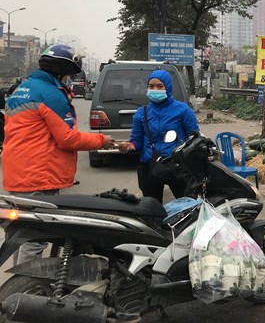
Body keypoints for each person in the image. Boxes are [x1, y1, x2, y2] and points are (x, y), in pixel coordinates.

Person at [2, 44, 115, 265]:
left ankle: (17, 283)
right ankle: (23, 288)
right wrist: (103, 140)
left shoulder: (22, 89)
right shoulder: (51, 94)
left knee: (19, 234)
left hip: (16, 172)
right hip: (38, 176)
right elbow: (68, 139)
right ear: (62, 71)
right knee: (35, 238)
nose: (70, 80)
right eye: (70, 75)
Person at [119, 70, 199, 203]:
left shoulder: (183, 110)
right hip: (149, 167)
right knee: (151, 208)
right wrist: (129, 146)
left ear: (167, 87)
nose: (155, 89)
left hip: (177, 166)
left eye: (159, 86)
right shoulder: (142, 113)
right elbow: (136, 141)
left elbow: (194, 138)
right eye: (151, 86)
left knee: (188, 205)